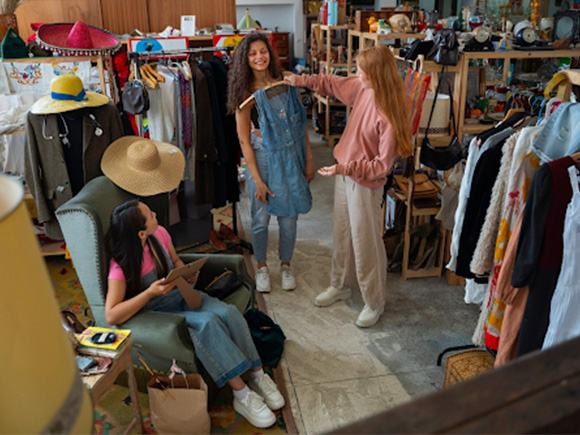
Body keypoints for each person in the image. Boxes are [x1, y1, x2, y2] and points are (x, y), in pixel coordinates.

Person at [104, 199, 285, 429]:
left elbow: (176, 260)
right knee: (207, 323)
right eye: (150, 215)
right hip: (160, 312)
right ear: (141, 233)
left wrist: (187, 275)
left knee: (227, 312)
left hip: (183, 295)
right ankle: (242, 394)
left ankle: (258, 375)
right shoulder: (120, 267)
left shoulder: (159, 233)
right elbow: (112, 315)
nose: (155, 215)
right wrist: (149, 293)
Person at [285, 45, 413, 328]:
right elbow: (333, 83)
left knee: (366, 242)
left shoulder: (388, 114)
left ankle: (374, 301)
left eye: (361, 70)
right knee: (342, 233)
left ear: (376, 75)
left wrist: (345, 168)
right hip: (344, 174)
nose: (357, 74)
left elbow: (382, 166)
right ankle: (340, 285)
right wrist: (301, 80)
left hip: (365, 184)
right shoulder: (364, 88)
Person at [227, 32, 315, 293]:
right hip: (261, 157)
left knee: (289, 217)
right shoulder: (244, 93)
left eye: (262, 51)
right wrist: (257, 180)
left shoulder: (286, 81)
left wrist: (308, 159)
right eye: (252, 53)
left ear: (270, 53)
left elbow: (300, 125)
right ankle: (262, 266)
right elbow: (244, 141)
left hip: (291, 154)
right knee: (260, 217)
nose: (259, 57)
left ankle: (286, 264)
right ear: (245, 58)